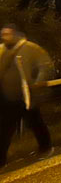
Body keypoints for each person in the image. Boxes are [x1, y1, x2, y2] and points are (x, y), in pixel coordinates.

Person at [0, 25, 54, 167]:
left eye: (8, 34)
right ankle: (1, 160)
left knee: (35, 122)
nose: (5, 37)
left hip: (27, 95)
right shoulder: (1, 50)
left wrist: (38, 81)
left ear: (15, 34)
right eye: (3, 34)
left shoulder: (30, 48)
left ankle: (46, 147)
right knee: (5, 128)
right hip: (8, 97)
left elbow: (45, 64)